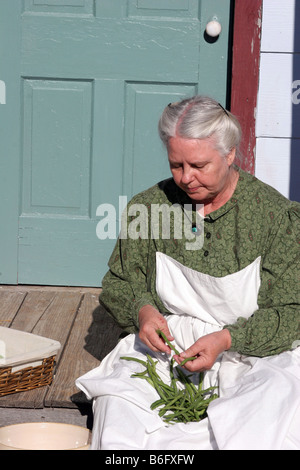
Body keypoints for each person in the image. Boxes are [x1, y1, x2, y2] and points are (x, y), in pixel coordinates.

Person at [77, 95, 300, 450]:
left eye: (198, 165)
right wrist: (144, 311)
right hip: (169, 347)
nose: (186, 178)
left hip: (251, 351)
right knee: (121, 411)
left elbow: (291, 313)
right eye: (176, 165)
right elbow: (120, 282)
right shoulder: (149, 208)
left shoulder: (275, 218)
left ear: (229, 155)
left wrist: (226, 340)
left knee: (268, 417)